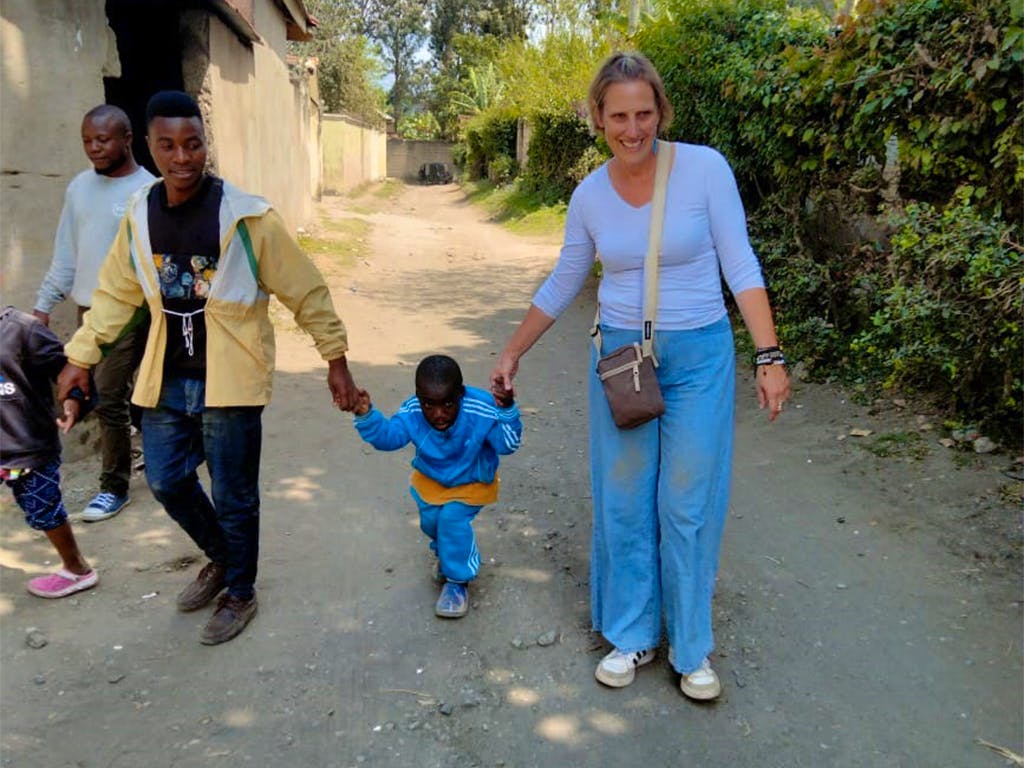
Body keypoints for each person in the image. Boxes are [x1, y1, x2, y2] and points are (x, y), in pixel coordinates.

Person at [490, 52, 790, 701]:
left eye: (644, 113)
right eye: (619, 115)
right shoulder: (590, 196)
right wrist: (514, 351)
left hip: (702, 358)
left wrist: (768, 356)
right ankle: (632, 634)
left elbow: (740, 263)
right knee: (625, 500)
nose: (633, 129)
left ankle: (691, 647)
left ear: (661, 111)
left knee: (686, 502)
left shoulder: (705, 170)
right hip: (625, 360)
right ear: (597, 118)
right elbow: (567, 277)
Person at [56, 90, 361, 645]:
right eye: (168, 146)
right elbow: (114, 294)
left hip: (232, 378)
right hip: (167, 375)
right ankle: (223, 556)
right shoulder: (140, 215)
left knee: (234, 491)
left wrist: (335, 360)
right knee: (169, 479)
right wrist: (81, 355)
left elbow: (305, 289)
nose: (182, 158)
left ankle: (240, 591)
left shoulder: (246, 216)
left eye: (193, 144)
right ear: (149, 147)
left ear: (205, 145)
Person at [33, 104, 155, 523]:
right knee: (126, 395)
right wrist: (43, 305)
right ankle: (161, 453)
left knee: (109, 395)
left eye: (103, 140)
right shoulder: (79, 189)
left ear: (127, 138)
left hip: (132, 311)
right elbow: (67, 253)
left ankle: (113, 486)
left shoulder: (149, 191)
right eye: (87, 141)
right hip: (90, 310)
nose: (94, 149)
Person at [352, 355, 521, 618]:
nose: (438, 414)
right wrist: (366, 415)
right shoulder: (412, 412)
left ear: (461, 394)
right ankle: (446, 554)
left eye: (448, 404)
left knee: (452, 521)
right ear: (418, 397)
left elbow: (508, 445)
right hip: (432, 481)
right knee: (431, 524)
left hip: (471, 482)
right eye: (429, 405)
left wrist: (507, 409)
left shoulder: (483, 409)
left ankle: (458, 581)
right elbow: (389, 437)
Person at [1, 307, 98, 598]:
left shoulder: (22, 330)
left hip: (26, 446)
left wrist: (73, 402)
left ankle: (77, 569)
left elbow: (69, 370)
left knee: (43, 509)